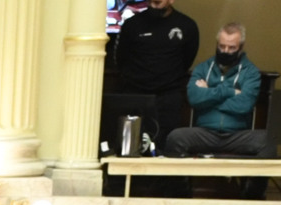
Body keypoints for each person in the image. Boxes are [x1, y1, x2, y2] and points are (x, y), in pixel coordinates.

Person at [101, 0, 200, 153]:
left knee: (166, 146)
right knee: (129, 147)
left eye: (158, 3)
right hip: (135, 94)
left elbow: (187, 59)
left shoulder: (187, 26)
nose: (155, 5)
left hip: (168, 96)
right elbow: (120, 58)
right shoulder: (132, 24)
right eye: (152, 2)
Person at [167, 21, 263, 158]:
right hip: (204, 132)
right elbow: (194, 98)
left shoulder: (251, 72)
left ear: (241, 47)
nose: (225, 51)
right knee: (175, 137)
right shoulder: (202, 68)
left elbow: (244, 104)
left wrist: (208, 94)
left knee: (266, 141)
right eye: (222, 46)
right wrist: (230, 92)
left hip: (237, 135)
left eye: (232, 48)